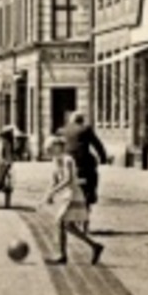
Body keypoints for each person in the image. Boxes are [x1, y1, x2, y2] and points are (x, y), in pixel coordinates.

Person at [43, 136, 105, 265]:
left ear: (58, 147)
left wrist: (53, 192)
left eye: (50, 148)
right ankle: (94, 246)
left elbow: (68, 179)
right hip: (64, 195)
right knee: (68, 226)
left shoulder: (68, 160)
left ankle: (62, 256)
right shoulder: (55, 161)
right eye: (47, 149)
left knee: (60, 222)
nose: (48, 152)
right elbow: (54, 180)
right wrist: (48, 194)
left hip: (73, 194)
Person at [61, 111, 109, 227]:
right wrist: (103, 158)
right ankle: (90, 198)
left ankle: (70, 218)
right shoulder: (86, 129)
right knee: (91, 181)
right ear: (81, 120)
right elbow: (97, 145)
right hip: (84, 164)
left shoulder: (64, 130)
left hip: (69, 164)